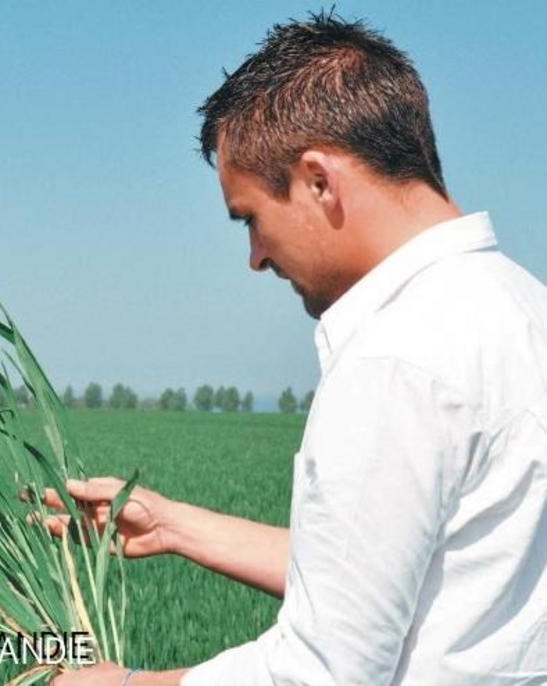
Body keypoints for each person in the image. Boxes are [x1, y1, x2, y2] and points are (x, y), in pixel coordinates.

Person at [45, 11, 547, 685]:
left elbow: (320, 673)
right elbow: (404, 575)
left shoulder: (393, 361)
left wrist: (125, 684)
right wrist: (175, 526)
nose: (254, 257)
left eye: (249, 218)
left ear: (317, 180)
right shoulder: (520, 307)